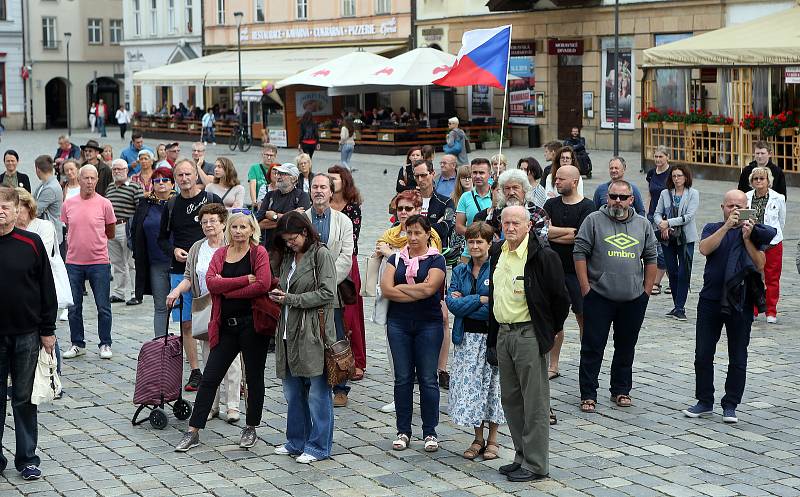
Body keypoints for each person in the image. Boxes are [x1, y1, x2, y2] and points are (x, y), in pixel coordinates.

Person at [173, 211, 273, 452]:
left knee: (254, 379)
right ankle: (193, 430)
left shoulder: (258, 253)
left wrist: (226, 290)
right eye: (234, 227)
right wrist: (240, 283)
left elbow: (263, 284)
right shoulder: (220, 254)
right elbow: (211, 283)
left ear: (251, 230)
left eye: (243, 227)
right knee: (209, 378)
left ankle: (251, 427)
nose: (238, 231)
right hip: (225, 326)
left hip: (252, 325)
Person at [486, 205, 569, 482]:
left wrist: (547, 332)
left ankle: (536, 464)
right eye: (506, 223)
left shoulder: (543, 256)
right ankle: (521, 455)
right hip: (504, 334)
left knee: (534, 403)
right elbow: (494, 295)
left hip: (528, 335)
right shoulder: (497, 251)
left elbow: (560, 301)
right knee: (510, 400)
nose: (510, 228)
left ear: (528, 226)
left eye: (515, 223)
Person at [683, 190, 773, 424]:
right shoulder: (713, 227)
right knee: (703, 353)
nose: (734, 209)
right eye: (730, 205)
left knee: (738, 356)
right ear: (722, 207)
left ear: (748, 208)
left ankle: (730, 404)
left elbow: (761, 263)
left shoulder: (755, 233)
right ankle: (704, 401)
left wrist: (746, 238)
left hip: (741, 301)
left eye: (739, 206)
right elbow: (704, 249)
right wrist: (726, 228)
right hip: (711, 299)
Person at [574, 180, 658, 413]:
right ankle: (588, 394)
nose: (617, 201)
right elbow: (579, 252)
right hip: (598, 295)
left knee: (626, 346)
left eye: (623, 197)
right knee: (592, 346)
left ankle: (621, 390)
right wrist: (585, 287)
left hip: (633, 298)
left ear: (631, 200)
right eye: (613, 196)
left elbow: (651, 257)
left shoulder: (642, 224)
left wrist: (646, 291)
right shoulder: (593, 221)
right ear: (606, 198)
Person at [0, 186, 57, 481]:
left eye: (5, 207)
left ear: (16, 210)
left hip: (26, 333)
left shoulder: (31, 242)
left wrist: (48, 331)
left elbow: (48, 288)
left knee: (23, 398)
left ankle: (27, 459)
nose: (0, 212)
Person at [270, 211, 337, 463]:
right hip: (287, 330)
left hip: (313, 333)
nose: (290, 243)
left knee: (318, 393)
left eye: (293, 238)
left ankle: (319, 446)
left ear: (305, 232)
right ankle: (296, 441)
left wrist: (291, 299)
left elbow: (328, 293)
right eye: (286, 240)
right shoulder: (287, 256)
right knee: (292, 391)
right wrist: (278, 294)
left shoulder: (321, 254)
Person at [167, 203, 242, 423]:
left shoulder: (233, 244)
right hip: (205, 308)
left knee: (232, 359)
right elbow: (189, 277)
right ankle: (211, 405)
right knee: (209, 359)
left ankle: (233, 406)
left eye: (212, 221)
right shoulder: (197, 248)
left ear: (222, 223)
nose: (208, 225)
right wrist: (176, 291)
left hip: (230, 307)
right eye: (204, 221)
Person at [380, 215, 447, 453]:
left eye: (418, 232)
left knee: (428, 379)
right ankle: (403, 430)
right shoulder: (396, 258)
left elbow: (431, 289)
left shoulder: (436, 259)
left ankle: (430, 431)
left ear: (428, 234)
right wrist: (414, 291)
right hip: (398, 323)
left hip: (428, 323)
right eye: (409, 232)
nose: (413, 237)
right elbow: (387, 289)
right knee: (403, 378)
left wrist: (402, 289)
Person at [158, 159, 223, 391]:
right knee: (188, 324)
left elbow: (226, 227)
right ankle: (196, 371)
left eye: (188, 174)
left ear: (196, 174)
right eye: (180, 175)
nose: (184, 179)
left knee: (220, 322)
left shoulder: (211, 199)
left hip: (214, 269)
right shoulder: (172, 204)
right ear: (175, 178)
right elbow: (162, 239)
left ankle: (223, 371)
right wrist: (174, 250)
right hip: (182, 271)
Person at [446, 221, 505, 462]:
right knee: (471, 389)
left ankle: (493, 439)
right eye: (471, 241)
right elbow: (452, 304)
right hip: (466, 340)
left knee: (493, 387)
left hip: (490, 338)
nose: (475, 246)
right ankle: (477, 437)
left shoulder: (498, 269)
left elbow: (495, 308)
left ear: (490, 244)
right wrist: (478, 299)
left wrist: (469, 302)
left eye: (480, 241)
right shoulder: (460, 270)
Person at [305, 174, 354, 406]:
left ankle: (340, 387)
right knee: (308, 335)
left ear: (331, 192)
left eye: (323, 187)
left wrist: (326, 281)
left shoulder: (343, 221)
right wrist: (309, 282)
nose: (319, 191)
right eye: (315, 186)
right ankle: (311, 381)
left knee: (335, 337)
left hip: (332, 288)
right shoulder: (301, 218)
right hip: (306, 289)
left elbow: (346, 257)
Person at [543, 165, 596, 379]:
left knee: (583, 316)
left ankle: (587, 362)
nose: (556, 182)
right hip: (553, 270)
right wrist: (566, 232)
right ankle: (552, 365)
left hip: (578, 270)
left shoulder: (588, 206)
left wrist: (555, 234)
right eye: (556, 178)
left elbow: (581, 236)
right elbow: (542, 232)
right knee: (554, 319)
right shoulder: (550, 204)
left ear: (574, 182)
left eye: (561, 179)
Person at [61, 165, 117, 360]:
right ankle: (77, 343)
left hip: (99, 261)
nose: (90, 182)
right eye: (86, 178)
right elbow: (68, 227)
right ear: (80, 178)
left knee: (103, 305)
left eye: (93, 178)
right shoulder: (69, 203)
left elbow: (110, 231)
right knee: (74, 306)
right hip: (74, 262)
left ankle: (105, 343)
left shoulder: (104, 204)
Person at [328, 164, 366, 380]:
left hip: (347, 260)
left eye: (336, 178)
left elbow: (350, 240)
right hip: (325, 260)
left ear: (345, 181)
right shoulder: (321, 205)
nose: (332, 182)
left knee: (351, 312)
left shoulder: (352, 207)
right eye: (329, 178)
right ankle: (333, 359)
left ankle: (357, 360)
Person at [130, 167, 175, 336]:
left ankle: (188, 345)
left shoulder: (179, 202)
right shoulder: (145, 204)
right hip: (156, 262)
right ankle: (160, 344)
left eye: (165, 180)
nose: (161, 184)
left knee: (185, 307)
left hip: (179, 263)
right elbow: (135, 229)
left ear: (172, 183)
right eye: (157, 181)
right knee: (161, 306)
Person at [654, 164, 700, 321]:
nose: (676, 179)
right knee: (672, 271)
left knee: (683, 271)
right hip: (668, 238)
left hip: (686, 238)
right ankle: (676, 305)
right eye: (674, 176)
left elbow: (688, 216)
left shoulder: (693, 194)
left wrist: (668, 223)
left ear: (686, 177)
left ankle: (680, 307)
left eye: (679, 176)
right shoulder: (665, 193)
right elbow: (657, 213)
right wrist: (661, 224)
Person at [745, 167, 786, 323]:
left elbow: (781, 220)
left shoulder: (778, 198)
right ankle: (753, 309)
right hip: (753, 242)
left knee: (772, 277)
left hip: (773, 242)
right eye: (756, 179)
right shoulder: (746, 197)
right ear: (752, 181)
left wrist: (773, 234)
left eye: (762, 178)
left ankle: (771, 311)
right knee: (752, 275)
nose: (759, 181)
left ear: (768, 180)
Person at [106, 159, 144, 305]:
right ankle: (119, 292)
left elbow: (141, 210)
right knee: (117, 262)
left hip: (127, 226)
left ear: (127, 170)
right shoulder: (109, 187)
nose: (117, 172)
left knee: (131, 262)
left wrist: (136, 230)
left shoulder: (135, 187)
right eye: (114, 169)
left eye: (120, 169)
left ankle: (136, 293)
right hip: (112, 227)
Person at [255, 163, 311, 251]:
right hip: (270, 248)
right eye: (278, 173)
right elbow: (258, 224)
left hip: (292, 249)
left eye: (283, 174)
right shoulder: (269, 196)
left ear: (294, 179)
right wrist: (291, 214)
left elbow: (298, 224)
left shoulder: (302, 196)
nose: (278, 176)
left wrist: (274, 216)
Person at [646, 146, 672, 295]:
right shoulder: (651, 173)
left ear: (667, 157)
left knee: (664, 248)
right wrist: (646, 212)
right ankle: (670, 278)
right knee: (654, 248)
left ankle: (657, 282)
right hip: (652, 215)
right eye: (656, 156)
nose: (657, 160)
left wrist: (669, 219)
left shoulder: (671, 174)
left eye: (661, 157)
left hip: (665, 217)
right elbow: (650, 194)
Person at [455, 159, 493, 259]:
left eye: (481, 173)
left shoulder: (497, 196)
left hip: (493, 252)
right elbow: (459, 226)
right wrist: (477, 236)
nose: (477, 176)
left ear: (489, 174)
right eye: (474, 172)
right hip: (470, 253)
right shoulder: (465, 197)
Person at [33, 155, 64, 247]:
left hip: (51, 236)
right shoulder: (44, 184)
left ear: (37, 169)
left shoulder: (50, 188)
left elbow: (35, 211)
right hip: (46, 232)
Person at [247, 144, 278, 209]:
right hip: (260, 203)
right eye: (266, 155)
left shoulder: (278, 168)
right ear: (262, 155)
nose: (269, 157)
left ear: (275, 156)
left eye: (271, 155)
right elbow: (252, 185)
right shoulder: (254, 168)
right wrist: (254, 201)